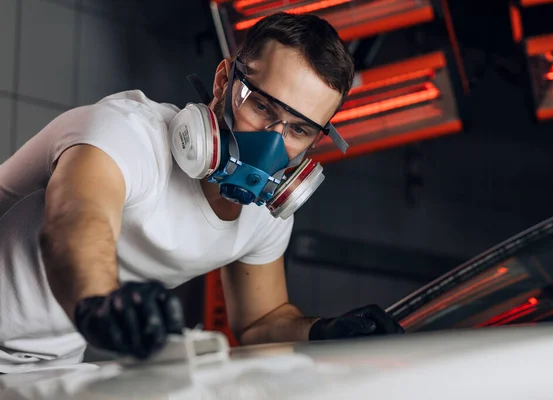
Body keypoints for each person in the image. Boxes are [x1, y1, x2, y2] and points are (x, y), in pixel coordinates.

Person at [0, 12, 402, 371]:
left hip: (44, 366)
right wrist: (100, 299)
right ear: (225, 80)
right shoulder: (126, 133)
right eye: (261, 107)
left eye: (299, 130)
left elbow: (261, 322)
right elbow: (75, 221)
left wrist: (324, 331)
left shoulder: (265, 217)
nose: (273, 143)